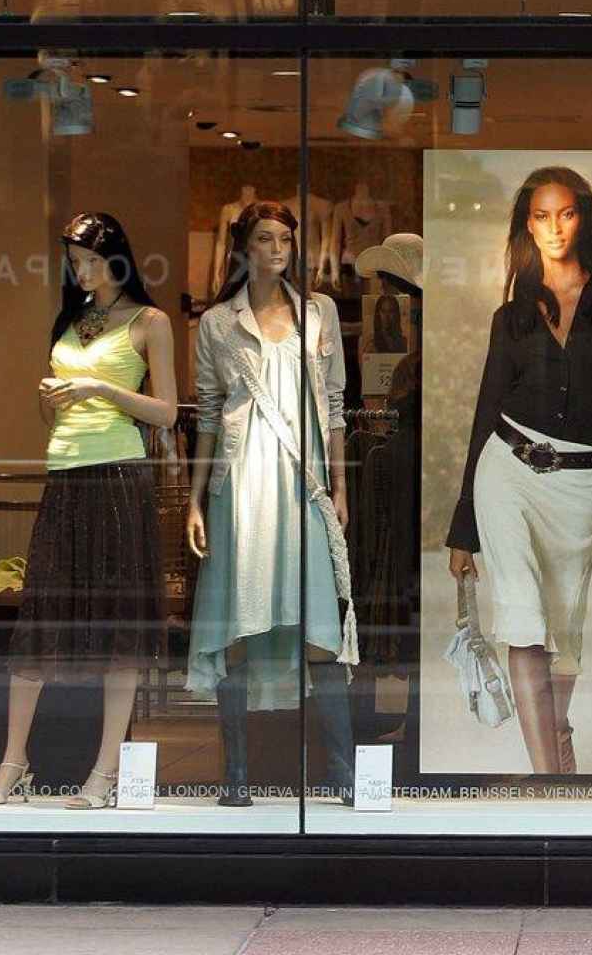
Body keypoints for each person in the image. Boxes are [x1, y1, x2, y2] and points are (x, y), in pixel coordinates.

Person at [446, 166, 592, 775]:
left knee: (566, 632)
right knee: (523, 621)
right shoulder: (512, 313)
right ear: (526, 226)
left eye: (565, 213)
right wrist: (465, 524)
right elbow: (487, 409)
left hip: (581, 482)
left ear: (583, 218)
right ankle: (550, 785)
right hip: (505, 470)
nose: (554, 227)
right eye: (540, 216)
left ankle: (556, 753)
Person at [0, 212, 178, 811]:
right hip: (63, 475)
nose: (83, 272)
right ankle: (14, 760)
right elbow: (54, 415)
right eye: (74, 263)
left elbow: (167, 412)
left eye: (91, 261)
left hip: (118, 477)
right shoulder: (70, 320)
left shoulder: (151, 322)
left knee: (119, 625)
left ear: (117, 258)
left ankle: (105, 768)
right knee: (40, 614)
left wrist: (102, 390)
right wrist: (52, 399)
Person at [186, 200, 358, 807]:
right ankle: (235, 776)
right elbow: (207, 415)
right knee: (237, 622)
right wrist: (195, 499)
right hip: (242, 484)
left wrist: (339, 488)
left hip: (303, 481)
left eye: (286, 238)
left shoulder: (320, 313)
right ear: (244, 248)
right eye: (265, 238)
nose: (278, 248)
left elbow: (335, 407)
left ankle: (342, 774)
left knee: (319, 625)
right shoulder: (216, 323)